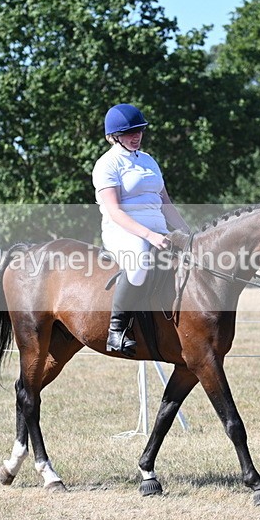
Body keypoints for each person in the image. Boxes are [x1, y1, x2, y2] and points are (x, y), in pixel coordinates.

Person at [92, 103, 190, 357]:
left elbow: (166, 204)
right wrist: (149, 236)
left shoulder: (148, 161)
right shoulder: (107, 164)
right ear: (114, 136)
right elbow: (114, 211)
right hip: (122, 231)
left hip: (158, 230)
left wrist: (188, 234)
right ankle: (117, 330)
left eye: (139, 131)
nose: (136, 136)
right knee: (139, 263)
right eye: (129, 132)